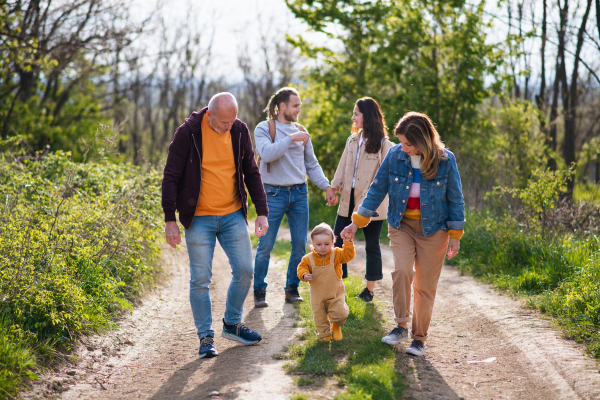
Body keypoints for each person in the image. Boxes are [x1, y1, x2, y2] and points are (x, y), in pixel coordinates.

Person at [341, 111, 465, 357]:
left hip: (435, 230)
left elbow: (455, 197)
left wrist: (455, 234)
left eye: (408, 143)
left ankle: (419, 339)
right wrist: (356, 222)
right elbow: (377, 189)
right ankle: (400, 326)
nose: (403, 147)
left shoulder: (445, 160)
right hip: (402, 225)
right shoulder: (395, 155)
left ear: (424, 140)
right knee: (403, 271)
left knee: (425, 286)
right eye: (402, 142)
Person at [161, 92, 270, 359]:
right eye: (223, 122)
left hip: (232, 214)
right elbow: (171, 176)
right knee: (200, 279)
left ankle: (232, 324)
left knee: (245, 270)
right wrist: (169, 220)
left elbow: (251, 172)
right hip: (199, 217)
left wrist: (262, 212)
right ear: (209, 115)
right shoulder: (188, 133)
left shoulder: (240, 130)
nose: (228, 126)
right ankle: (205, 337)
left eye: (232, 121)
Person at [252, 87, 338, 307]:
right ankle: (259, 291)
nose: (299, 109)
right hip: (272, 193)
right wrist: (291, 139)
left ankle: (292, 288)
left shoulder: (301, 130)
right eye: (295, 106)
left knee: (299, 245)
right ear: (282, 107)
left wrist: (326, 186)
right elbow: (268, 154)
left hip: (299, 193)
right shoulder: (264, 128)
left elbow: (311, 164)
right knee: (265, 245)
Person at [330, 97, 394, 302]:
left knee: (372, 245)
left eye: (356, 113)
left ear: (368, 116)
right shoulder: (352, 140)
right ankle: (337, 284)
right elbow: (342, 167)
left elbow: (383, 178)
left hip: (372, 205)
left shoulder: (385, 145)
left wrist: (366, 203)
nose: (353, 117)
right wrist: (334, 187)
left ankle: (369, 290)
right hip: (347, 201)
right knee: (338, 241)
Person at [297, 223, 355, 341]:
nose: (323, 247)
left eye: (327, 244)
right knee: (319, 316)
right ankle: (324, 335)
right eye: (319, 244)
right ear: (312, 244)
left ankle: (336, 325)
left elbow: (349, 255)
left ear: (333, 243)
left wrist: (348, 242)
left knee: (340, 314)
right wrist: (304, 275)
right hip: (318, 296)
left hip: (335, 293)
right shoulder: (308, 259)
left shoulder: (337, 254)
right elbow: (301, 268)